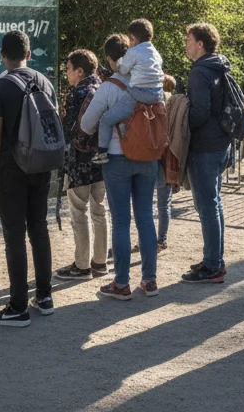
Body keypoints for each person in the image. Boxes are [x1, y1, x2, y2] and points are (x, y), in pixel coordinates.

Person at [0, 30, 58, 326]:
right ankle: (44, 295)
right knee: (39, 228)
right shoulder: (44, 81)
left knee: (14, 234)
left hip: (12, 169)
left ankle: (17, 306)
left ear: (3, 55)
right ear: (29, 54)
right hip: (41, 164)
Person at [81, 33, 160, 300]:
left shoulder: (109, 87)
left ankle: (122, 283)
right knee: (146, 218)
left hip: (117, 158)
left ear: (110, 59)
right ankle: (149, 280)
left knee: (122, 222)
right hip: (148, 156)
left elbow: (87, 125)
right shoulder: (149, 82)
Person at [181, 22, 234, 284]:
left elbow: (200, 111)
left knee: (207, 206)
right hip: (221, 144)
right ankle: (214, 258)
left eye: (189, 40)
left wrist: (180, 125)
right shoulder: (219, 65)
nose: (186, 45)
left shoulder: (200, 71)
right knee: (214, 204)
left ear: (200, 43)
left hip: (204, 147)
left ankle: (213, 265)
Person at [55, 49, 108, 280]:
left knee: (79, 213)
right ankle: (100, 262)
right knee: (100, 211)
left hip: (79, 161)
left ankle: (82, 265)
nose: (67, 74)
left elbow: (68, 129)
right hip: (102, 159)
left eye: (68, 69)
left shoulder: (77, 93)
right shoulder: (104, 88)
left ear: (79, 70)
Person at [93, 19, 165, 164]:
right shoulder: (156, 53)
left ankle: (102, 153)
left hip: (138, 93)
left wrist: (119, 63)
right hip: (157, 95)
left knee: (107, 120)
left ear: (132, 38)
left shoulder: (133, 52)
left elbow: (124, 69)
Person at [156, 73, 177, 253]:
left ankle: (150, 238)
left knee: (146, 202)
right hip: (169, 157)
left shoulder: (155, 103)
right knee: (164, 203)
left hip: (155, 155)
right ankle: (161, 239)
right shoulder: (173, 106)